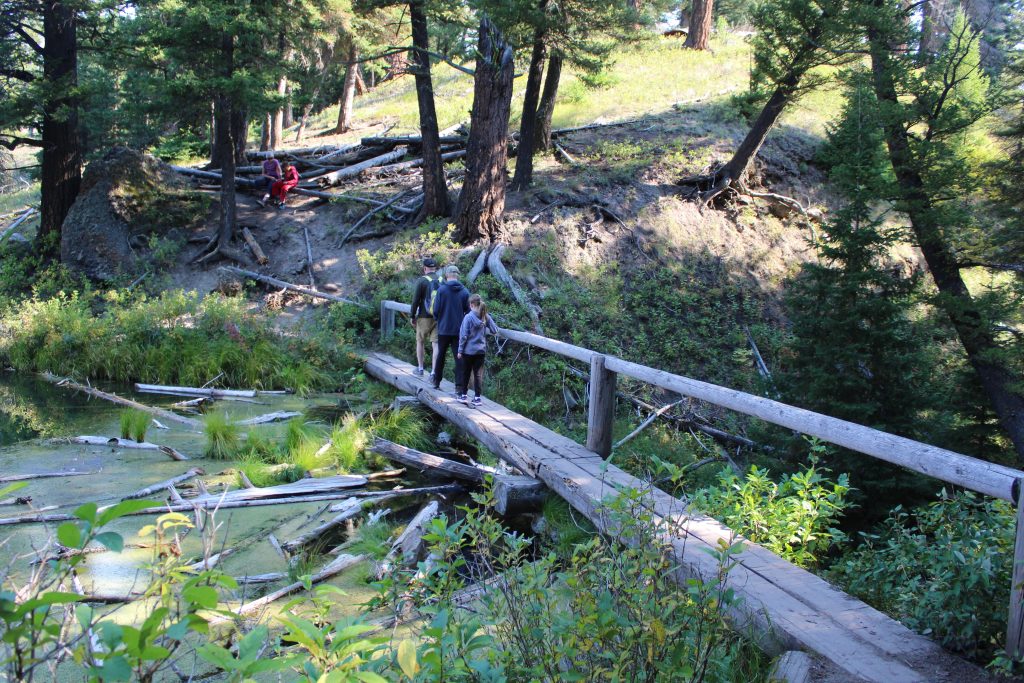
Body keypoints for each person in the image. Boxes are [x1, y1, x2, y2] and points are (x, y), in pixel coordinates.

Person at [432, 265, 470, 394]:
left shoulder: (441, 291)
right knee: (459, 358)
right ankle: (459, 387)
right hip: (458, 331)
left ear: (447, 275)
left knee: (440, 356)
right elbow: (469, 312)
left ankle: (436, 381)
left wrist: (439, 319)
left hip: (443, 329)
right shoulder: (465, 292)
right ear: (457, 275)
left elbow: (435, 310)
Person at [457, 294, 498, 406]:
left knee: (466, 373)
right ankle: (477, 398)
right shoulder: (485, 316)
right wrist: (487, 319)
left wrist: (460, 350)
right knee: (478, 375)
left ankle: (464, 395)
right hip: (481, 351)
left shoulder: (468, 317)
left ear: (472, 305)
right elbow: (495, 330)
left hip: (468, 351)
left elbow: (464, 335)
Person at [410, 257, 441, 378]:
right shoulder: (442, 280)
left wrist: (412, 315)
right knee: (436, 344)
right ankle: (433, 372)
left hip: (423, 316)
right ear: (435, 268)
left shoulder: (422, 281)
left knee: (420, 341)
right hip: (438, 317)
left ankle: (421, 368)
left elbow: (415, 300)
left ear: (424, 268)